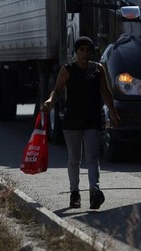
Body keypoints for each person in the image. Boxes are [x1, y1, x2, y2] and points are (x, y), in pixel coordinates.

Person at [42, 36, 121, 210]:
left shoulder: (98, 69)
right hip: (72, 121)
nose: (85, 53)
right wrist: (49, 102)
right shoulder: (67, 70)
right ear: (76, 52)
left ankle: (94, 191)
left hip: (92, 120)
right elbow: (57, 91)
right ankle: (74, 193)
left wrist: (114, 114)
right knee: (74, 159)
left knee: (92, 158)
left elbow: (106, 92)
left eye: (88, 50)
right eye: (81, 50)